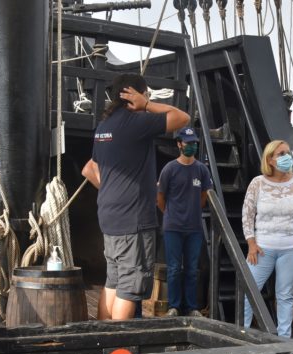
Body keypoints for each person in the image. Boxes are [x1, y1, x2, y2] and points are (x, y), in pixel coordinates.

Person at [81, 73, 190, 320]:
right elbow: (182, 118)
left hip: (109, 219)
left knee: (112, 283)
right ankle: (119, 350)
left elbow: (89, 168)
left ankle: (102, 342)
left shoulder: (103, 128)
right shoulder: (137, 122)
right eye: (146, 95)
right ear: (137, 96)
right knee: (129, 290)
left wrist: (117, 190)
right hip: (133, 222)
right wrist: (147, 105)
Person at [242, 140, 293, 337]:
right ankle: (243, 333)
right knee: (249, 291)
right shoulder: (257, 183)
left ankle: (283, 339)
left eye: (288, 152)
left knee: (284, 295)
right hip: (262, 248)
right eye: (281, 153)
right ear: (270, 160)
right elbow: (247, 214)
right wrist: (251, 242)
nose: (287, 157)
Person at [157, 127, 212, 317]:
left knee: (191, 269)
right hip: (173, 227)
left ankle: (191, 307)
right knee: (173, 268)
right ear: (179, 144)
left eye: (194, 143)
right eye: (188, 143)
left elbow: (204, 196)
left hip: (194, 227)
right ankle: (174, 306)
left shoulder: (201, 170)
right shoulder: (169, 169)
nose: (192, 146)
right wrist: (171, 214)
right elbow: (160, 197)